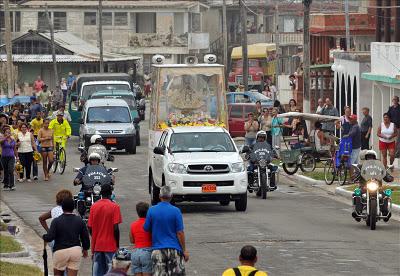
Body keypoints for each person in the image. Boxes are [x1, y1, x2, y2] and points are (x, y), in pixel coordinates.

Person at [144, 186, 188, 276]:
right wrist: (184, 250)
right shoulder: (176, 211)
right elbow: (180, 232)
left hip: (158, 250)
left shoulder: (152, 210)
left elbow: (146, 228)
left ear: (160, 196)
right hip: (174, 249)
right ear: (171, 196)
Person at [43, 198, 90, 276]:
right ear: (74, 208)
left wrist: (45, 237)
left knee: (58, 273)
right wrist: (85, 249)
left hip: (60, 251)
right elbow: (85, 237)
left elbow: (50, 237)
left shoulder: (56, 221)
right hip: (75, 251)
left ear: (62, 207)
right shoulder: (80, 220)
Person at [88, 183, 122, 276]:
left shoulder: (94, 207)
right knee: (111, 272)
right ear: (111, 193)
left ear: (100, 194)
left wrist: (95, 236)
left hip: (97, 245)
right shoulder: (115, 207)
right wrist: (117, 244)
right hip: (110, 246)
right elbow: (116, 228)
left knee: (97, 272)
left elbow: (90, 227)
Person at [130, 202, 152, 276]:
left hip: (135, 252)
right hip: (147, 252)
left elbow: (132, 240)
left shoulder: (133, 225)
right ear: (148, 211)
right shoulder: (150, 224)